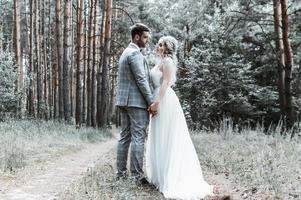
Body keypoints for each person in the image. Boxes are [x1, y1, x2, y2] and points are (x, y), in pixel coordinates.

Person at [146, 36, 214, 199]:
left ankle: (170, 176)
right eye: (159, 44)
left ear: (168, 48)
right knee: (158, 136)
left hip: (164, 100)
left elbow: (165, 83)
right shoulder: (159, 61)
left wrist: (157, 102)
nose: (158, 46)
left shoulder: (167, 62)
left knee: (167, 136)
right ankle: (159, 175)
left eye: (162, 45)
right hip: (158, 97)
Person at [115, 23, 157, 186]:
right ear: (137, 36)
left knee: (124, 136)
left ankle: (121, 173)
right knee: (138, 137)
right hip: (136, 102)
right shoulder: (135, 54)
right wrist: (151, 101)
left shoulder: (125, 52)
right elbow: (141, 79)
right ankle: (137, 176)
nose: (147, 41)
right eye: (145, 37)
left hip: (124, 101)